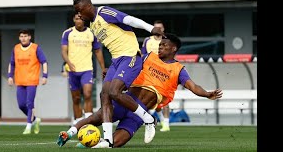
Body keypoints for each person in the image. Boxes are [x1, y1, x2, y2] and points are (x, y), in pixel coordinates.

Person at [56, 33, 223, 148]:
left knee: (116, 143)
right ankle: (69, 133)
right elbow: (128, 64)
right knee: (97, 117)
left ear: (174, 49)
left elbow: (193, 86)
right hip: (126, 101)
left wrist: (207, 93)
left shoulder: (179, 69)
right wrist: (112, 71)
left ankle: (91, 142)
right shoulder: (147, 58)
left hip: (140, 112)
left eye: (164, 45)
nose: (160, 47)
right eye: (160, 44)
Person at [71, 0, 164, 147]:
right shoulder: (92, 25)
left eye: (79, 10)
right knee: (104, 94)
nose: (78, 14)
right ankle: (107, 139)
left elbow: (129, 20)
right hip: (116, 61)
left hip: (130, 57)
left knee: (114, 92)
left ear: (87, 6)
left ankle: (148, 119)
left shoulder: (104, 12)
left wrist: (151, 28)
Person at [61, 13, 106, 125]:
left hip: (87, 69)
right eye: (77, 19)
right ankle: (78, 122)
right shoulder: (68, 33)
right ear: (73, 20)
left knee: (87, 94)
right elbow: (63, 51)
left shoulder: (91, 33)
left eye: (81, 19)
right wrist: (69, 63)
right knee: (76, 98)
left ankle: (89, 122)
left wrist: (103, 68)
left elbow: (98, 51)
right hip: (73, 71)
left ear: (84, 20)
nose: (79, 21)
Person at [7, 29, 48, 134]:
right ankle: (35, 120)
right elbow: (11, 63)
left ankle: (28, 126)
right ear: (19, 38)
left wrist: (45, 75)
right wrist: (10, 76)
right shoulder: (16, 48)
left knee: (30, 103)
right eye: (21, 36)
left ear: (29, 37)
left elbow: (44, 62)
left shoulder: (35, 48)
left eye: (25, 36)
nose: (23, 38)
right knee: (21, 105)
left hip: (32, 81)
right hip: (20, 81)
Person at [141, 20, 170, 132]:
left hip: (164, 74)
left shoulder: (167, 41)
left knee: (165, 99)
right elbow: (143, 56)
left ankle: (166, 124)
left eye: (160, 28)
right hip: (150, 74)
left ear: (163, 29)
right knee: (153, 100)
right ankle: (161, 120)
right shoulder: (148, 40)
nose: (158, 30)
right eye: (156, 27)